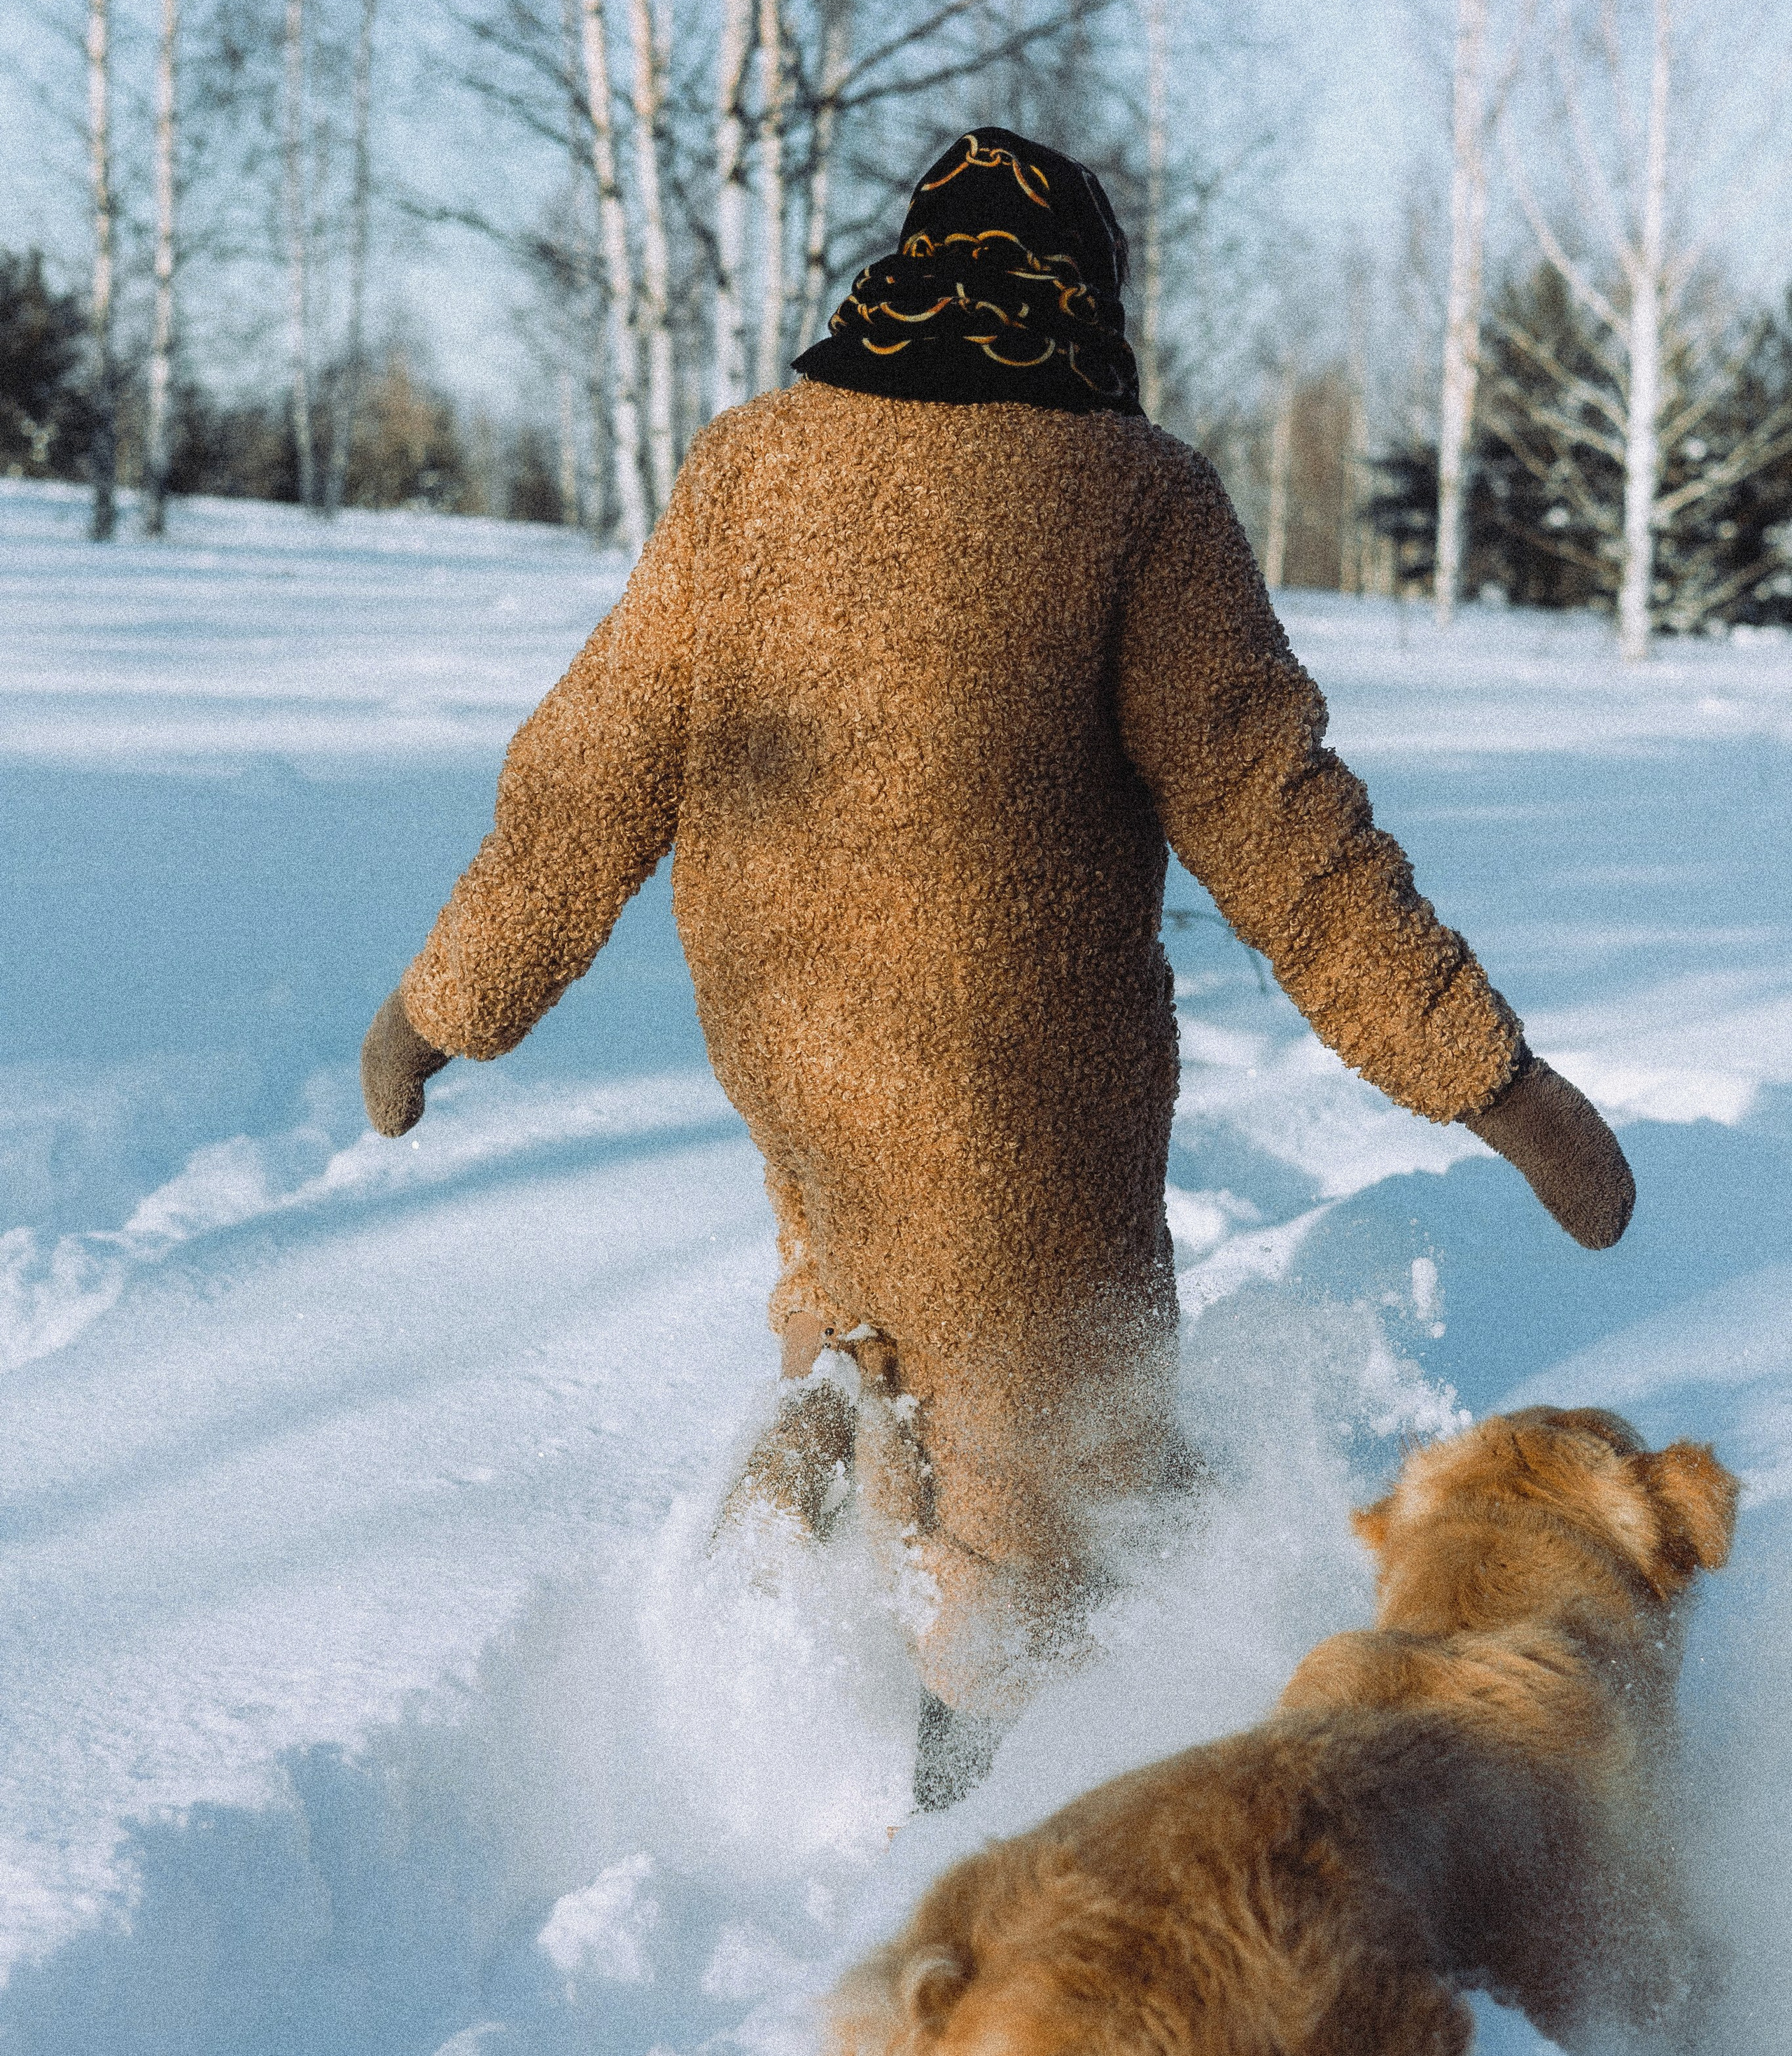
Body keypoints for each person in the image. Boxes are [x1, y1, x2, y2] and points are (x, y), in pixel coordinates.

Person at [361, 128, 1634, 1805]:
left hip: (790, 1037)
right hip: (1002, 1069)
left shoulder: (749, 464)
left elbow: (590, 764)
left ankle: (761, 1634)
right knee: (1061, 1457)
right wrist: (1491, 1080)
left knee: (860, 1326)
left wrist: (443, 1004)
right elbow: (1276, 819)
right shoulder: (1128, 490)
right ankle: (960, 1804)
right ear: (1084, 294)